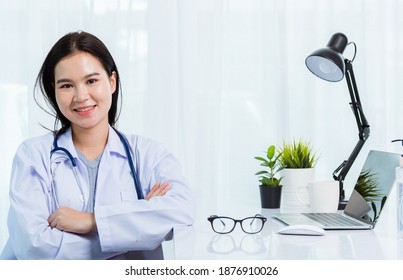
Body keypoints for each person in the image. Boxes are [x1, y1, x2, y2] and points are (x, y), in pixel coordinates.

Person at [0, 31, 196, 260]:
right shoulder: (33, 156)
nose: (81, 96)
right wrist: (136, 227)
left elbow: (182, 212)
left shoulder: (148, 155)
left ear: (112, 82)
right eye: (66, 86)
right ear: (54, 90)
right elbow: (34, 247)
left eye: (91, 81)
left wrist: (91, 221)